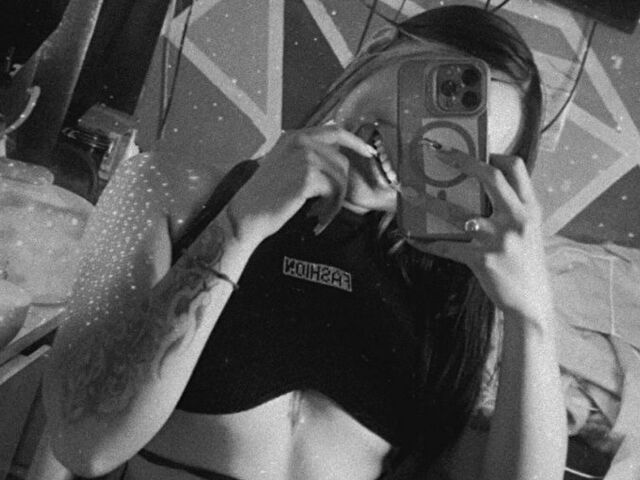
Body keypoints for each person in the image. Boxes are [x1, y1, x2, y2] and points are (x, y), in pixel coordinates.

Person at [42, 6, 568, 480]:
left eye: (456, 150)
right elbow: (83, 444)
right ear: (377, 53)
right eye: (437, 100)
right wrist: (242, 224)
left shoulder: (453, 292)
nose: (419, 150)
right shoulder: (168, 189)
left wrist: (532, 314)